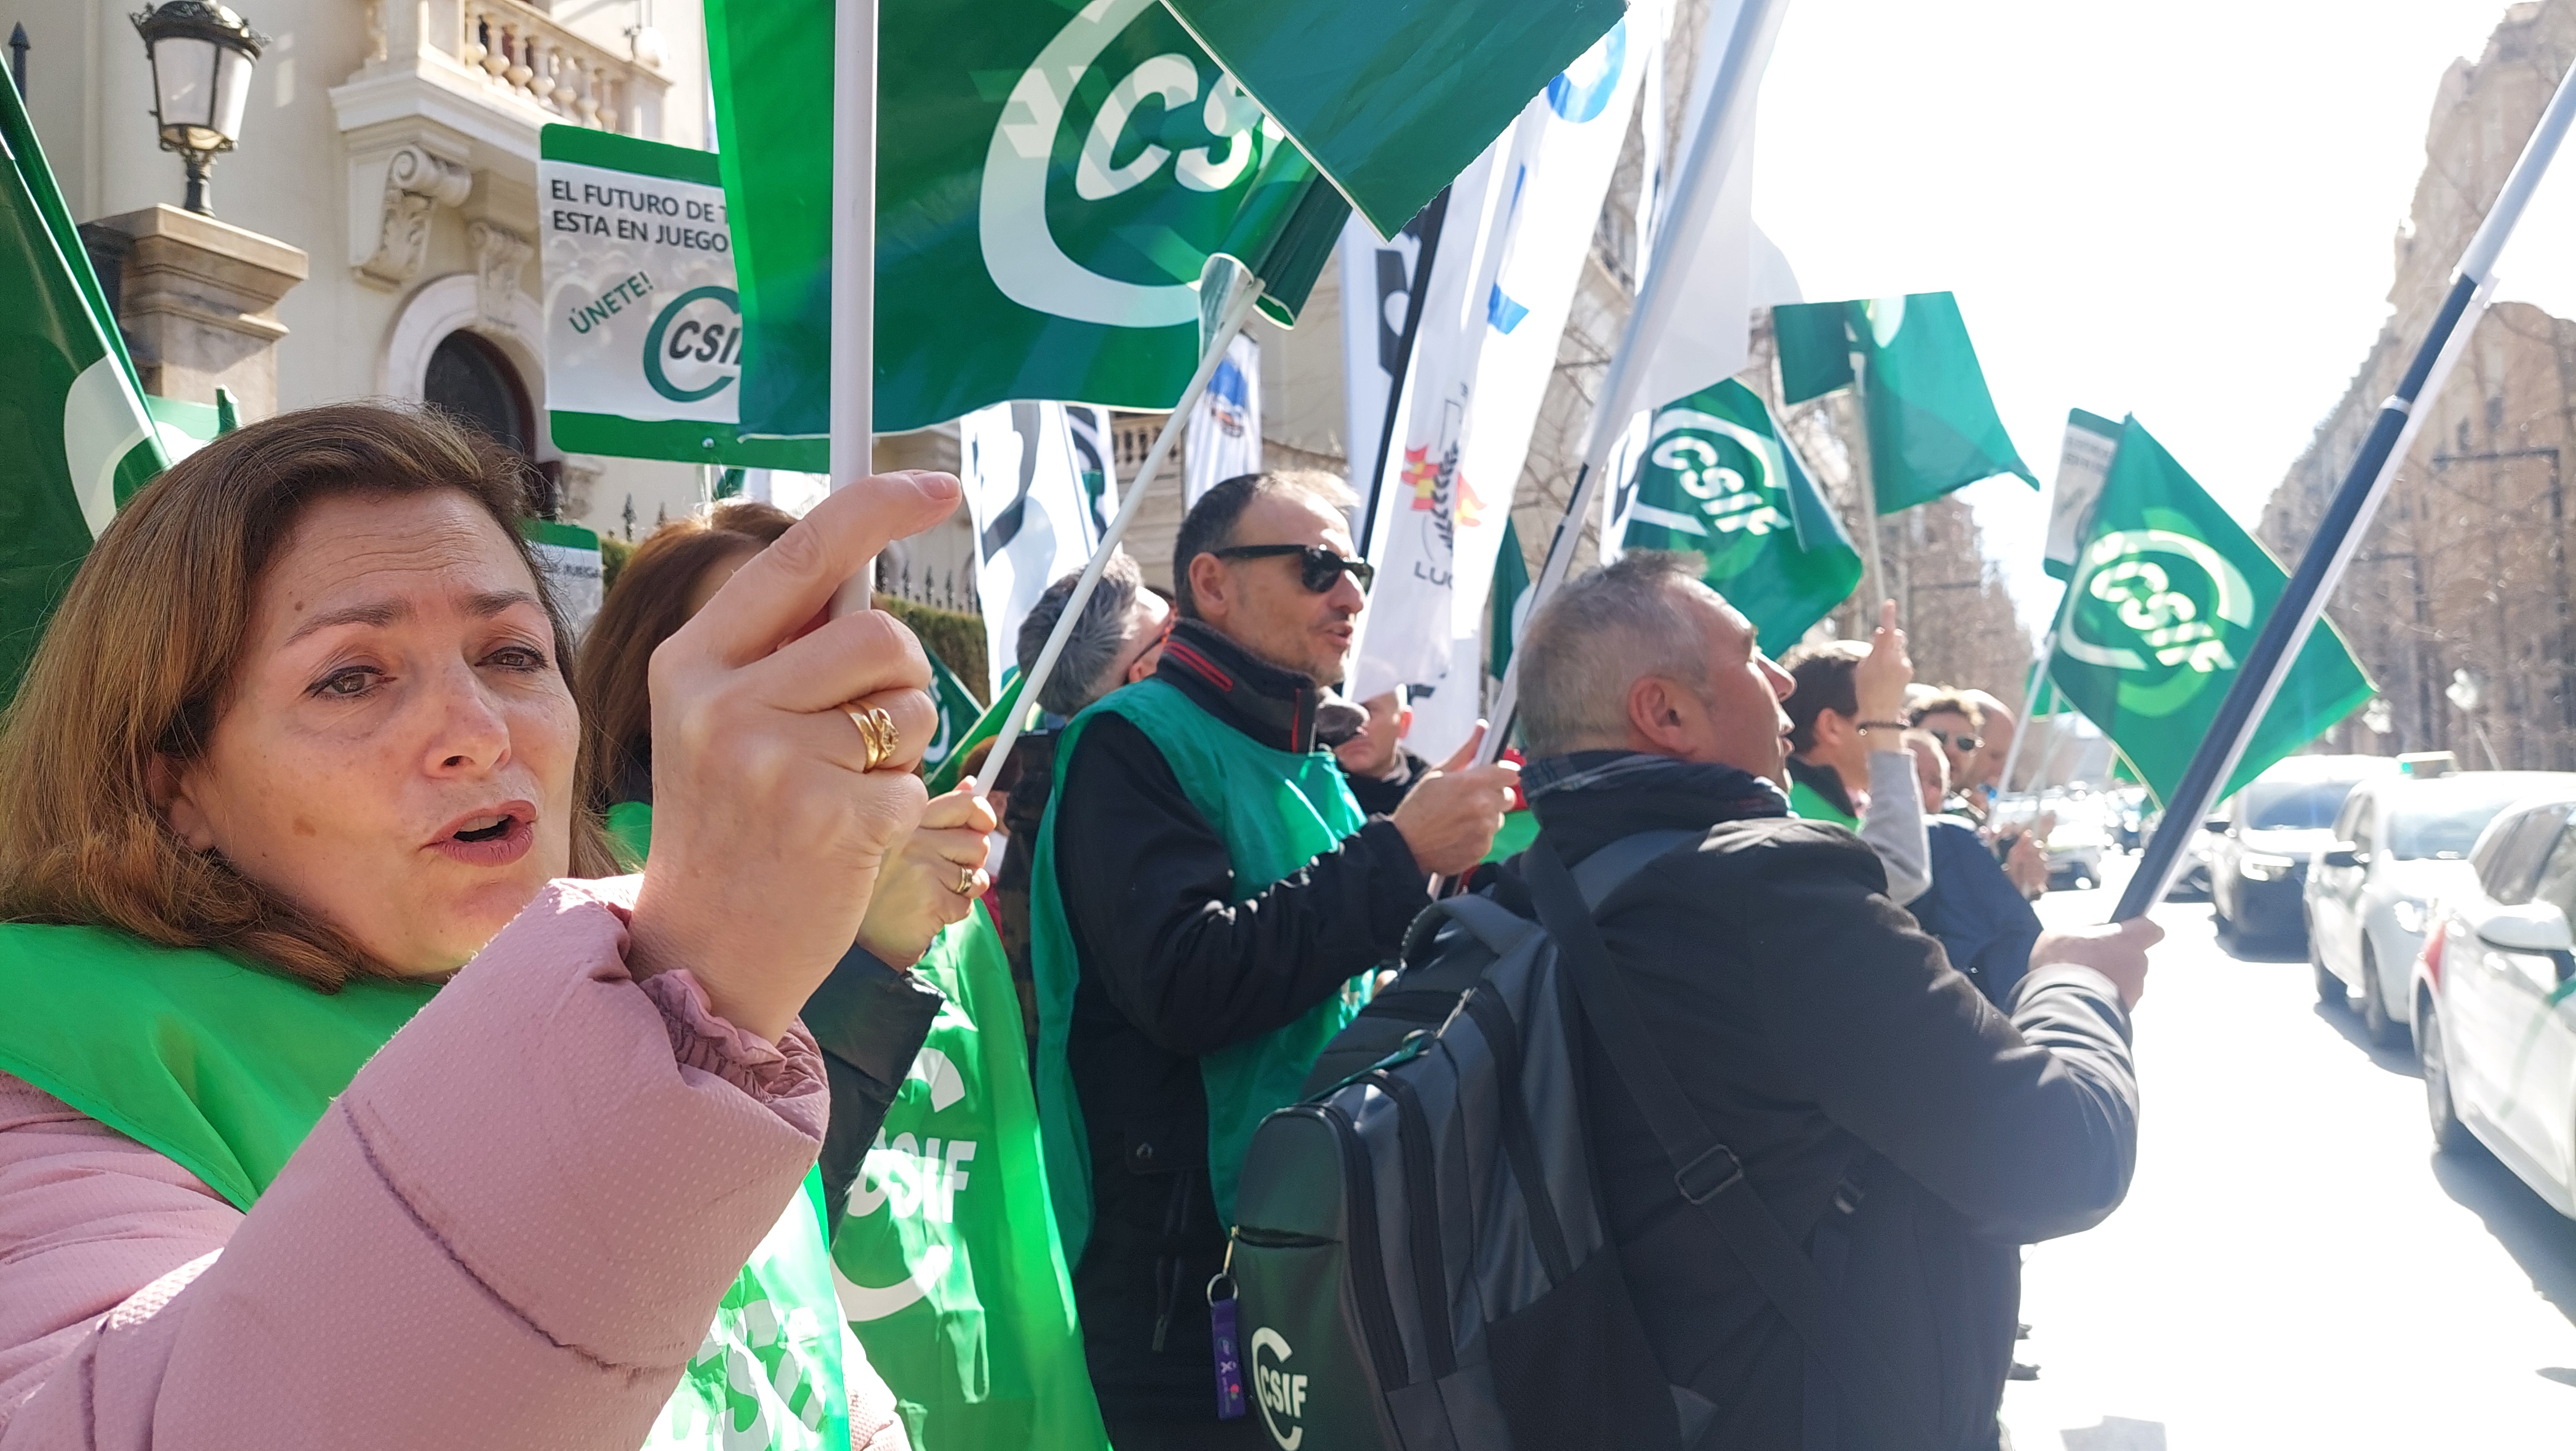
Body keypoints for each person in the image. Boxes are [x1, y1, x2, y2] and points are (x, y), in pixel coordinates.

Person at [0, 403, 955, 1449]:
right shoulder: (54, 1060)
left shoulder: (659, 993)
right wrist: (697, 978)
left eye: (509, 653)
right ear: (177, 782)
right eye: (351, 675)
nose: (479, 730)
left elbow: (800, 1381)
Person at [1499, 551, 2154, 1449]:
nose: (1782, 687)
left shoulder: (1511, 899)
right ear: (1665, 713)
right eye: (1755, 655)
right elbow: (2064, 1154)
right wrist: (2077, 985)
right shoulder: (1765, 900)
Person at [1028, 470, 1517, 1445]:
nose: (1350, 595)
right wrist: (1398, 853)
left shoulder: (1307, 760)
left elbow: (1336, 981)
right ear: (1211, 583)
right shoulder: (1126, 738)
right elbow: (1187, 982)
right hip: (1181, 1275)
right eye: (1318, 566)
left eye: (1356, 570)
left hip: (1309, 1242)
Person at [576, 500, 994, 1227]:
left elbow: (1007, 1193)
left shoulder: (936, 882)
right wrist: (871, 960)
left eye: (827, 644)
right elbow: (692, 1228)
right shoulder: (596, 886)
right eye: (761, 650)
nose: (808, 681)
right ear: (652, 685)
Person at [1775, 607, 1932, 904]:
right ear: (1832, 727)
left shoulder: (1828, 805)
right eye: (1880, 708)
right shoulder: (1792, 810)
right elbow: (1902, 871)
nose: (1902, 727)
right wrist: (1883, 724)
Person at [1900, 728, 2045, 1005]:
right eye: (1910, 775)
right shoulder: (1949, 834)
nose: (1923, 791)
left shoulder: (1955, 837)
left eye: (1935, 782)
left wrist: (2014, 885)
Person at [1334, 685, 1431, 816]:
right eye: (1339, 714)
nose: (1355, 728)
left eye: (1367, 712)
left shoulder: (1436, 798)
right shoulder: (1309, 793)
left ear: (1404, 722)